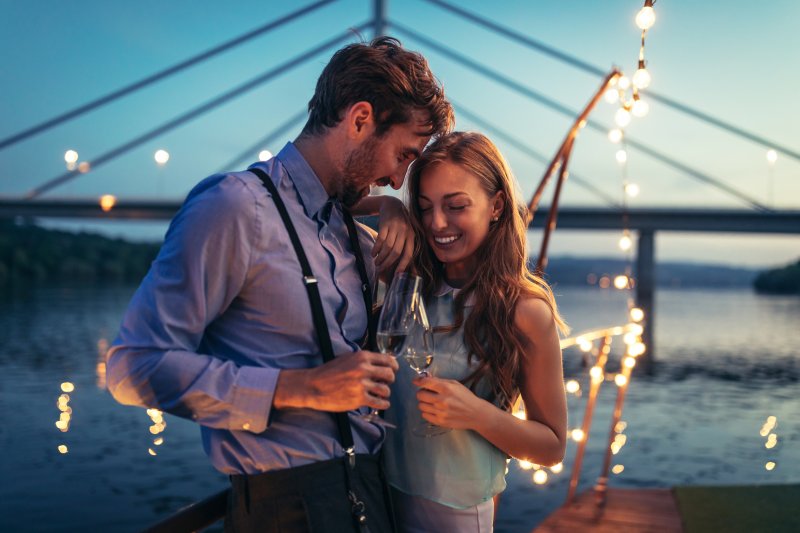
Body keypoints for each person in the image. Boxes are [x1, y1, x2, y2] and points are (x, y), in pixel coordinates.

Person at [106, 37, 454, 532]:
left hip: (373, 498)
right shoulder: (235, 208)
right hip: (285, 511)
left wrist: (390, 209)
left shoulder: (350, 232)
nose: (398, 180)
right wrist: (302, 388)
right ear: (359, 120)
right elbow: (131, 367)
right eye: (402, 155)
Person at [383, 132, 569, 532]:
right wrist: (387, 206)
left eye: (455, 206)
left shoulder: (525, 311)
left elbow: (552, 446)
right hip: (379, 499)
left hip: (454, 514)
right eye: (424, 206)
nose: (436, 223)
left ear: (497, 205)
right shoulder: (406, 283)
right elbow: (330, 205)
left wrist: (476, 414)